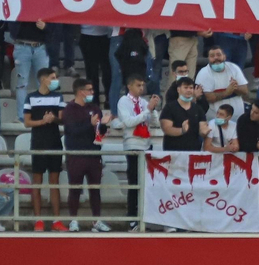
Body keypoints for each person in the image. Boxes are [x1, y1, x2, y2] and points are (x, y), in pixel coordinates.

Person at [60, 80, 111, 232]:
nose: (92, 93)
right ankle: (73, 220)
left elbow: (99, 132)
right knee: (75, 188)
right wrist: (89, 123)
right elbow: (72, 130)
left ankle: (96, 220)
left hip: (94, 154)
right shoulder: (69, 109)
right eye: (89, 90)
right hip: (76, 154)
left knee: (95, 189)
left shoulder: (95, 108)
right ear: (81, 91)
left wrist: (104, 125)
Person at [21, 67, 66, 231]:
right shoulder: (30, 97)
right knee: (37, 183)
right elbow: (27, 122)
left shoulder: (58, 97)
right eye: (52, 78)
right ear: (43, 79)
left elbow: (63, 120)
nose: (55, 80)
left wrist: (53, 118)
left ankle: (56, 221)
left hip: (55, 142)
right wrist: (42, 121)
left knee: (54, 183)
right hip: (38, 143)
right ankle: (38, 220)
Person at [115, 74, 158, 227]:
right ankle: (132, 217)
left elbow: (155, 122)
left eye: (142, 85)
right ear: (130, 86)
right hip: (133, 145)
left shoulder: (144, 102)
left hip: (147, 144)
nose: (141, 88)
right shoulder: (123, 101)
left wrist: (152, 110)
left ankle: (145, 215)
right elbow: (129, 122)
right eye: (138, 85)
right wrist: (147, 111)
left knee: (146, 183)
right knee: (134, 182)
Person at [159, 76, 207, 152]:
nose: (189, 90)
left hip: (193, 152)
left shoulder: (198, 109)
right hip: (173, 151)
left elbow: (202, 129)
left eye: (191, 88)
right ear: (178, 89)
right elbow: (166, 129)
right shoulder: (169, 107)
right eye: (185, 87)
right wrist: (182, 131)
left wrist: (204, 132)